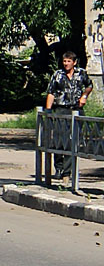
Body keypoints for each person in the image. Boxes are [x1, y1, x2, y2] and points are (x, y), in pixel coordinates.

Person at [45, 50, 94, 179]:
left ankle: (67, 172)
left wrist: (84, 96)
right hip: (61, 109)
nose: (66, 64)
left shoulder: (81, 73)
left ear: (74, 62)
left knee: (72, 141)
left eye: (68, 61)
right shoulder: (58, 75)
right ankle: (59, 168)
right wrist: (48, 111)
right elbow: (51, 92)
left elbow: (89, 86)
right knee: (59, 140)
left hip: (76, 110)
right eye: (64, 61)